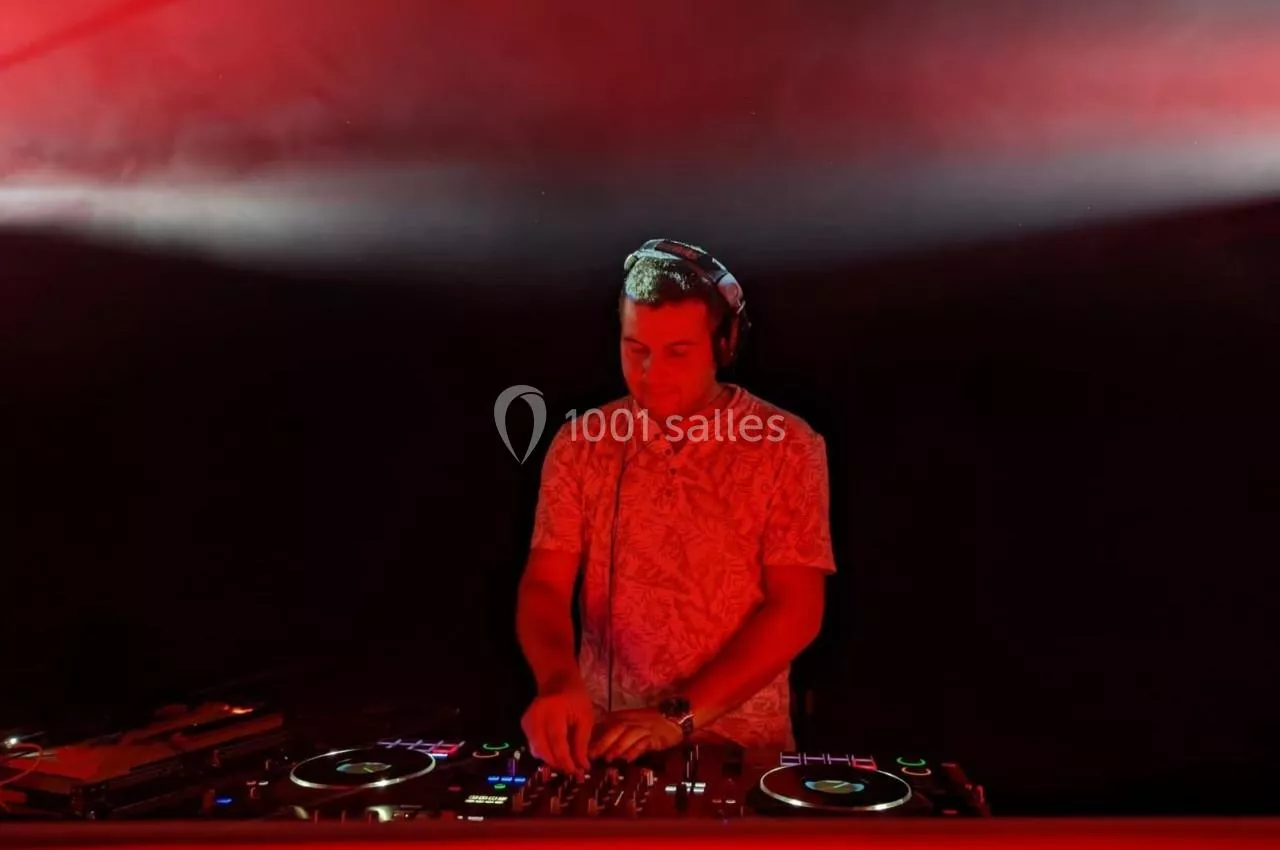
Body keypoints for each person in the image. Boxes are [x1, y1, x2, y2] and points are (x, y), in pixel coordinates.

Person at [516, 239, 836, 773]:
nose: (651, 371)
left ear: (725, 343)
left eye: (678, 352)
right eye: (635, 348)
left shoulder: (788, 445)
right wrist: (556, 681)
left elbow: (797, 609)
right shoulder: (579, 444)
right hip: (604, 745)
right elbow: (545, 585)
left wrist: (676, 716)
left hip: (741, 752)